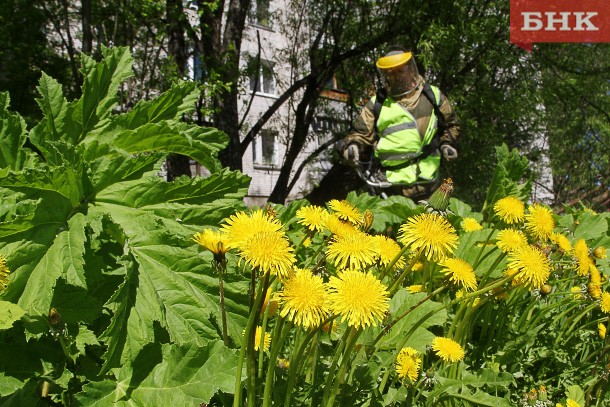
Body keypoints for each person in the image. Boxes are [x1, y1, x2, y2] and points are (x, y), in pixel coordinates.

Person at [342, 48, 460, 201]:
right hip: (390, 188)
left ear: (411, 70)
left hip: (428, 184)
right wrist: (353, 146)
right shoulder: (377, 103)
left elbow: (452, 124)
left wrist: (448, 144)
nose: (396, 77)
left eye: (400, 71)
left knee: (433, 225)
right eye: (391, 73)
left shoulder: (432, 96)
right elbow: (360, 133)